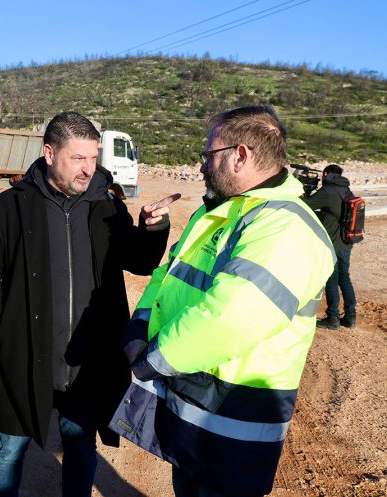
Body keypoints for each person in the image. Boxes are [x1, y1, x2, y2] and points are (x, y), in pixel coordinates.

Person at [116, 106, 335, 497]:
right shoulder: (220, 213)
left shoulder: (285, 226)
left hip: (234, 424)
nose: (202, 165)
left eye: (208, 154)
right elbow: (169, 276)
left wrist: (151, 359)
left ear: (240, 156)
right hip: (195, 409)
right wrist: (140, 326)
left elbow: (232, 318)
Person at [0, 111, 175, 497]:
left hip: (87, 361)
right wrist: (5, 324)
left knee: (81, 448)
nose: (88, 169)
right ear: (49, 153)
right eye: (78, 158)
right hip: (26, 357)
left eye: (93, 158)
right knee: (6, 450)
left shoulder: (106, 205)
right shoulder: (12, 206)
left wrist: (153, 228)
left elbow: (140, 261)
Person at [305, 164, 357, 329]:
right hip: (346, 241)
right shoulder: (345, 189)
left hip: (332, 243)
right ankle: (350, 317)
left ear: (326, 174)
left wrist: (306, 190)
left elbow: (305, 205)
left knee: (331, 278)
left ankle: (333, 318)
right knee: (344, 278)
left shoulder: (327, 191)